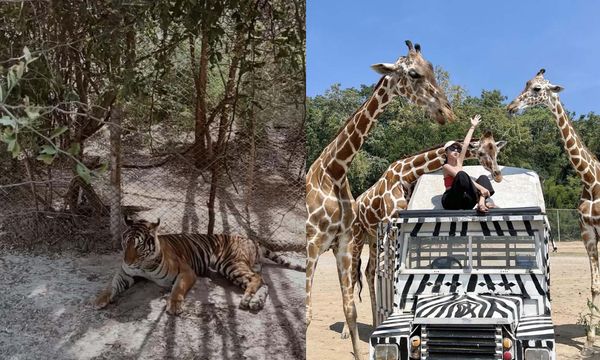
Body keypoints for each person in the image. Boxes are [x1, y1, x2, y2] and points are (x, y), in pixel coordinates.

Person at [442, 114, 495, 213]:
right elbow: (459, 176)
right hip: (451, 200)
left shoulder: (459, 162)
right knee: (461, 175)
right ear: (446, 152)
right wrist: (481, 188)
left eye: (458, 149)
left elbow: (465, 144)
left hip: (465, 201)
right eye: (452, 148)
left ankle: (481, 202)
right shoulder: (446, 167)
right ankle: (482, 200)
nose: (456, 150)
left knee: (483, 177)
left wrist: (473, 126)